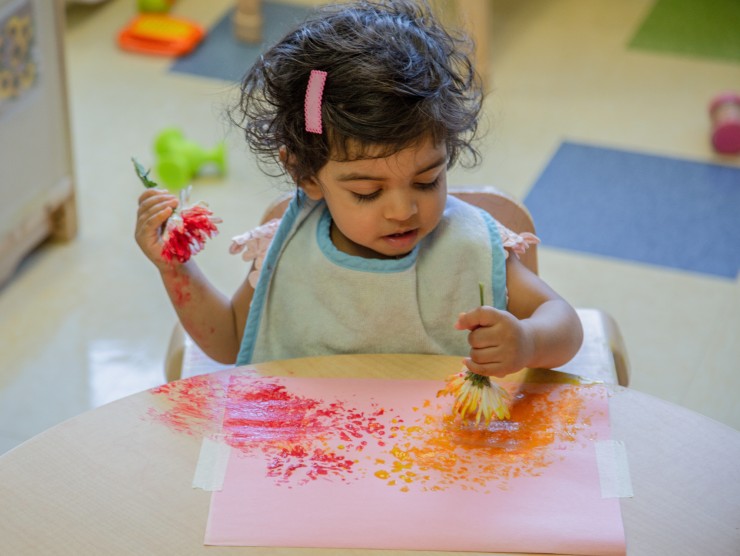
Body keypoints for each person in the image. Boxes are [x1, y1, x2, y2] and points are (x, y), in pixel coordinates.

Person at [135, 0, 583, 378]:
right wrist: (175, 268)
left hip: (445, 457)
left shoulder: (470, 246)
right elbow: (232, 341)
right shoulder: (287, 248)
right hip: (314, 456)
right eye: (369, 191)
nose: (404, 209)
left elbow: (565, 325)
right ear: (306, 175)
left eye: (427, 181)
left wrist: (527, 341)